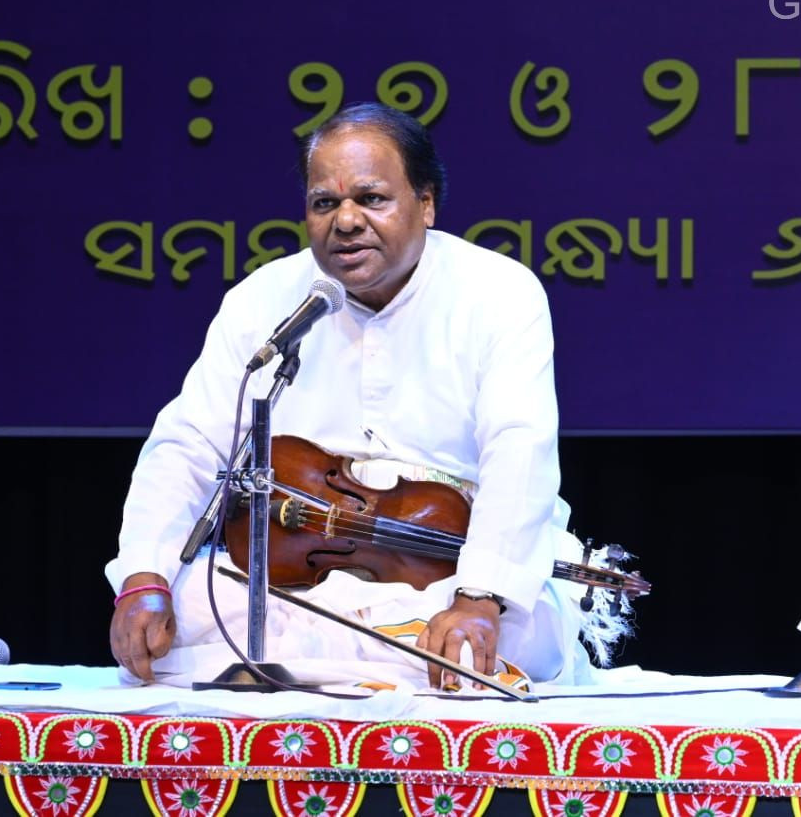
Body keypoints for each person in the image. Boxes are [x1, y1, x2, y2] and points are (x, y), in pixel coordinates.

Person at [106, 103, 607, 690]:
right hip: (298, 581)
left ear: (425, 204)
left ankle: (304, 667)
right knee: (192, 605)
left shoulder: (499, 293)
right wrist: (144, 577)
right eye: (325, 203)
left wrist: (479, 598)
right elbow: (187, 445)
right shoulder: (263, 299)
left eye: (371, 199)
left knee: (521, 633)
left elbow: (518, 451)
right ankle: (386, 665)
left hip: (450, 575)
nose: (345, 221)